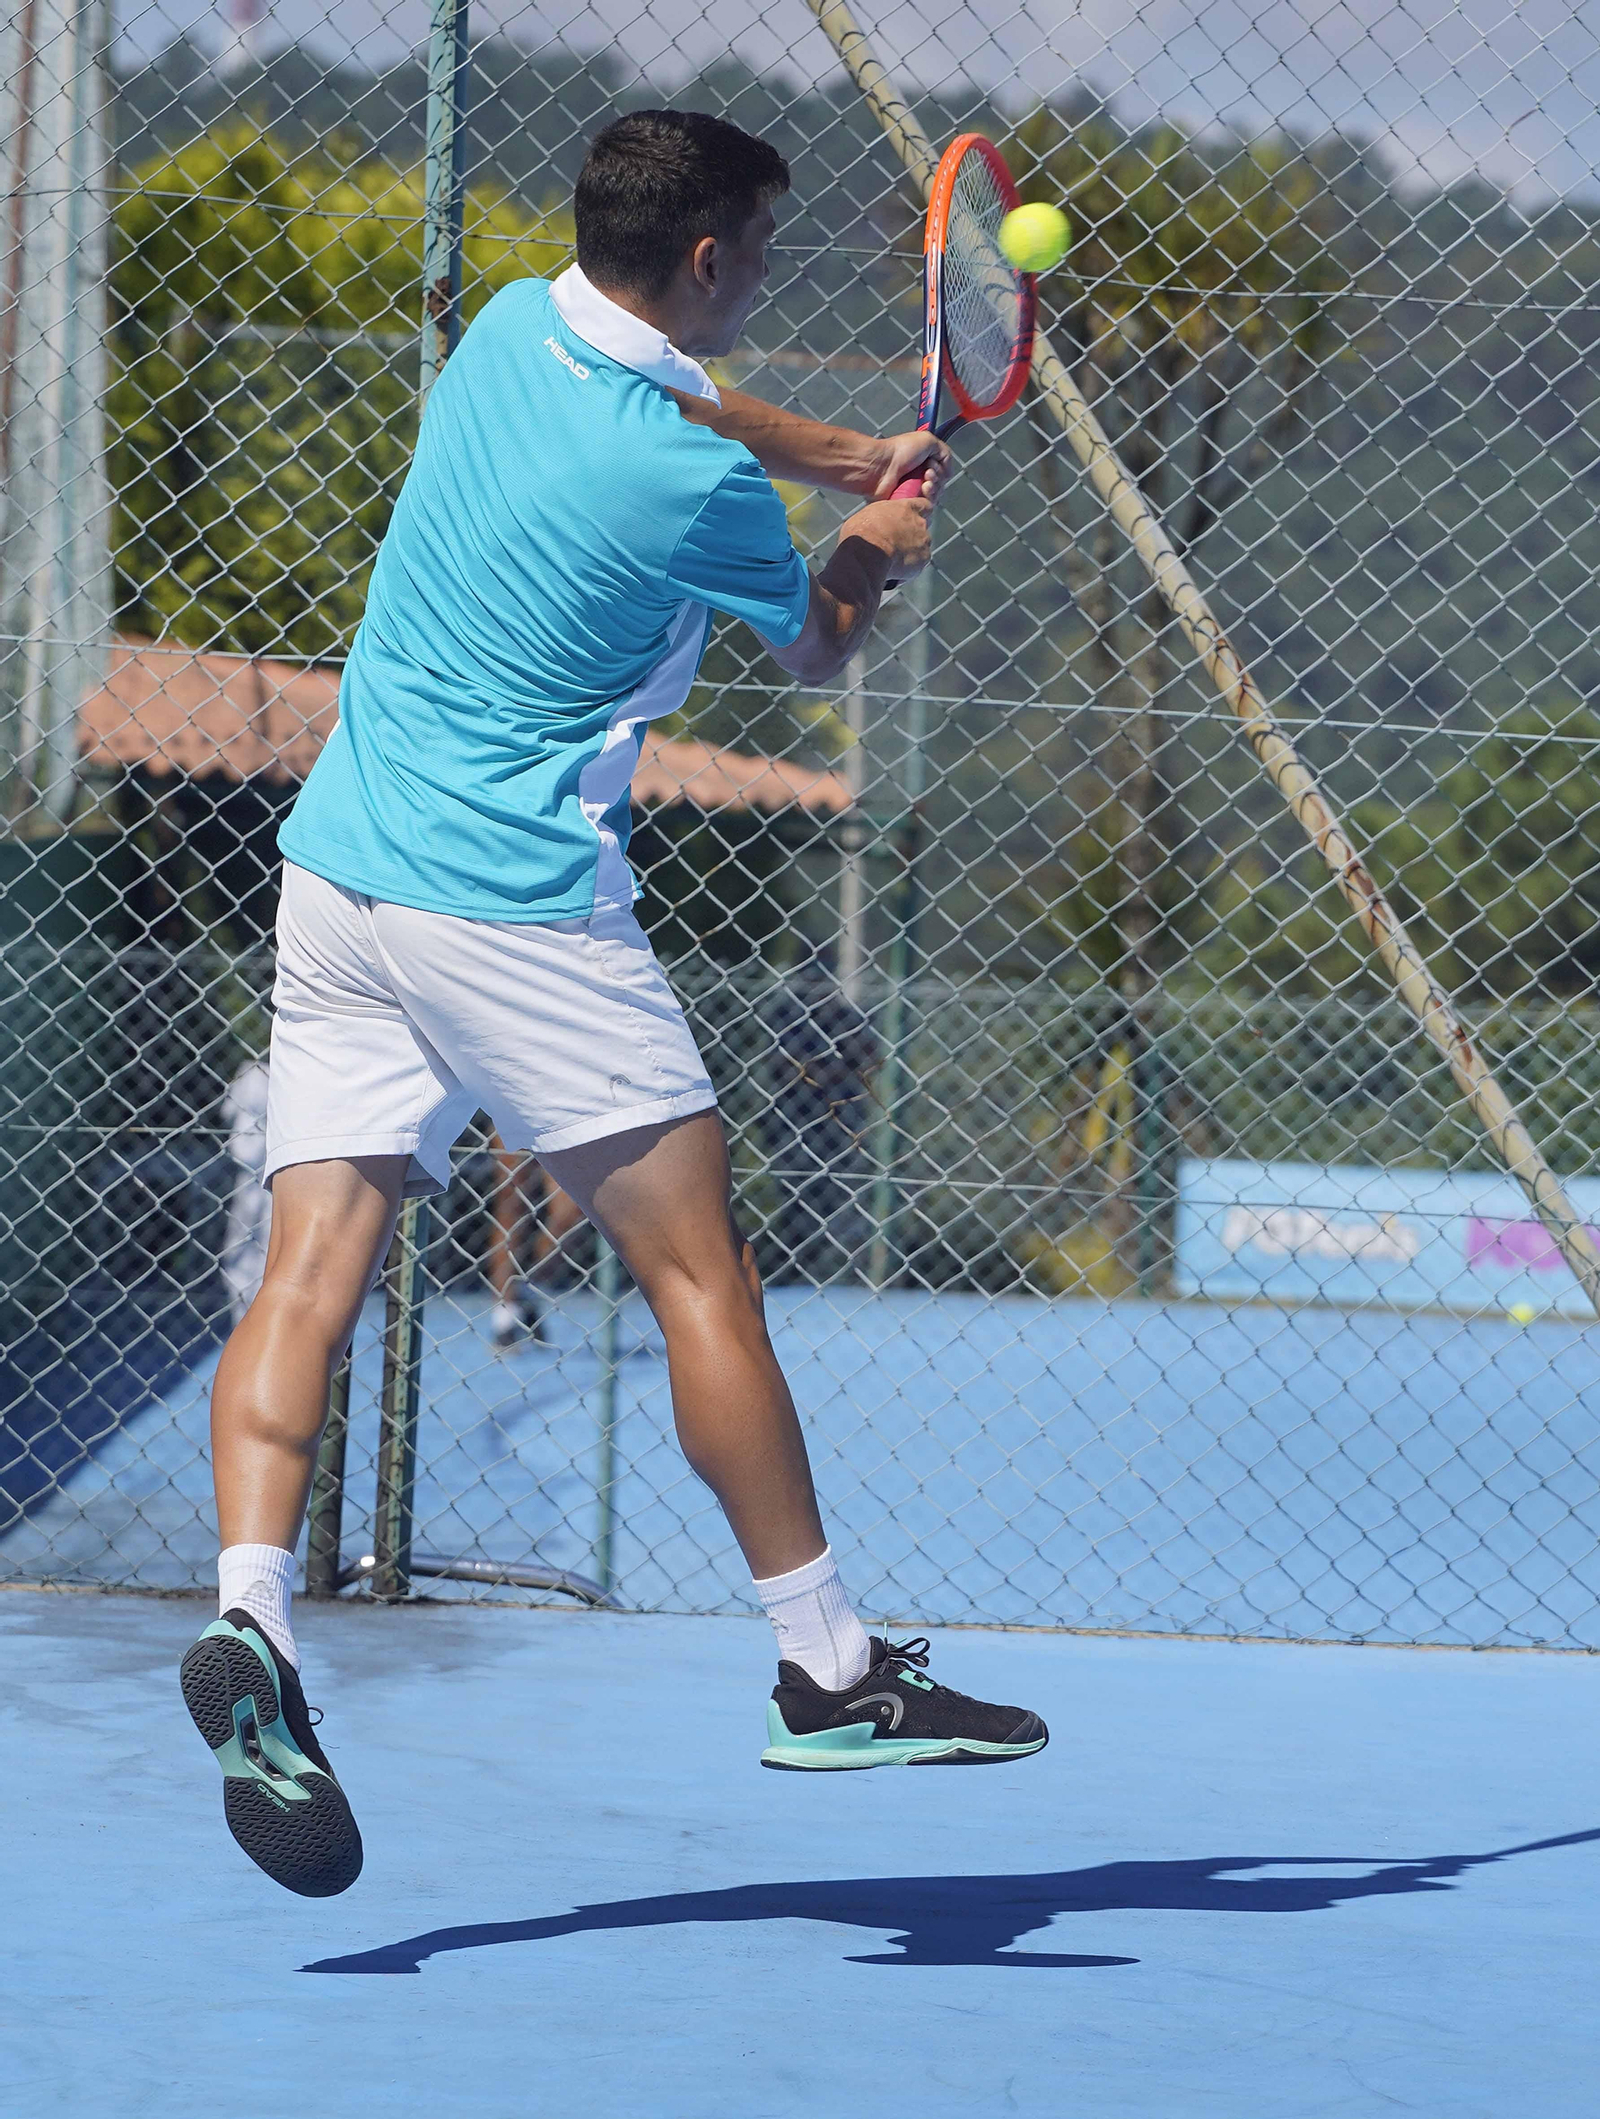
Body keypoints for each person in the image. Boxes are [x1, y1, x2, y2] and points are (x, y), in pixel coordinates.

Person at [178, 108, 1046, 1900]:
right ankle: (828, 1667)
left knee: (308, 1274)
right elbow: (815, 641)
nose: (771, 274)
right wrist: (875, 540)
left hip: (338, 877)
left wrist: (843, 450)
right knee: (699, 1271)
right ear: (712, 258)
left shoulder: (513, 324)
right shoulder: (691, 493)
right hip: (515, 909)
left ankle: (251, 1614)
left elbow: (687, 401)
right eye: (766, 250)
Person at [759, 956, 879, 1282]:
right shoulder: (786, 1015)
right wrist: (827, 1072)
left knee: (838, 1194)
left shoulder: (846, 1016)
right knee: (794, 1192)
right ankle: (791, 1265)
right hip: (793, 1118)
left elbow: (869, 1057)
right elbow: (784, 1065)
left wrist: (826, 1072)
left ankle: (831, 1267)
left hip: (840, 1120)